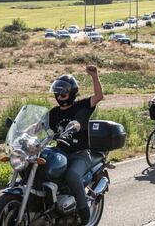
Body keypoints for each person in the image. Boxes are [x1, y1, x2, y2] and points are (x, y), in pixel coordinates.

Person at [48, 65, 104, 225]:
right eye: (57, 92)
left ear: (71, 93)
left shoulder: (82, 106)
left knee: (72, 175)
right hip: (60, 153)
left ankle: (83, 213)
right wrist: (25, 130)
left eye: (63, 92)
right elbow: (39, 125)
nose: (59, 95)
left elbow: (99, 96)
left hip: (80, 154)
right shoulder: (54, 112)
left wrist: (94, 76)